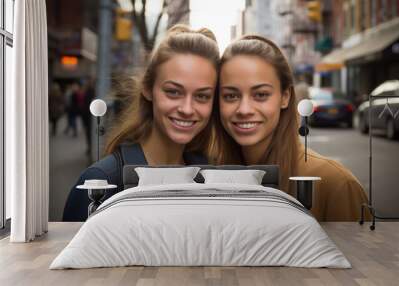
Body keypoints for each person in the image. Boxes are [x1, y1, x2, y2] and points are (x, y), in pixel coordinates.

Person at [63, 25, 220, 221]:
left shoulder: (211, 178)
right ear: (147, 88)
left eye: (202, 96)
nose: (187, 108)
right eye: (173, 92)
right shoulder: (101, 182)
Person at [211, 35, 369, 221]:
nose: (244, 109)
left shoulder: (336, 184)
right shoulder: (208, 178)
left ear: (285, 97)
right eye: (230, 96)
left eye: (261, 95)